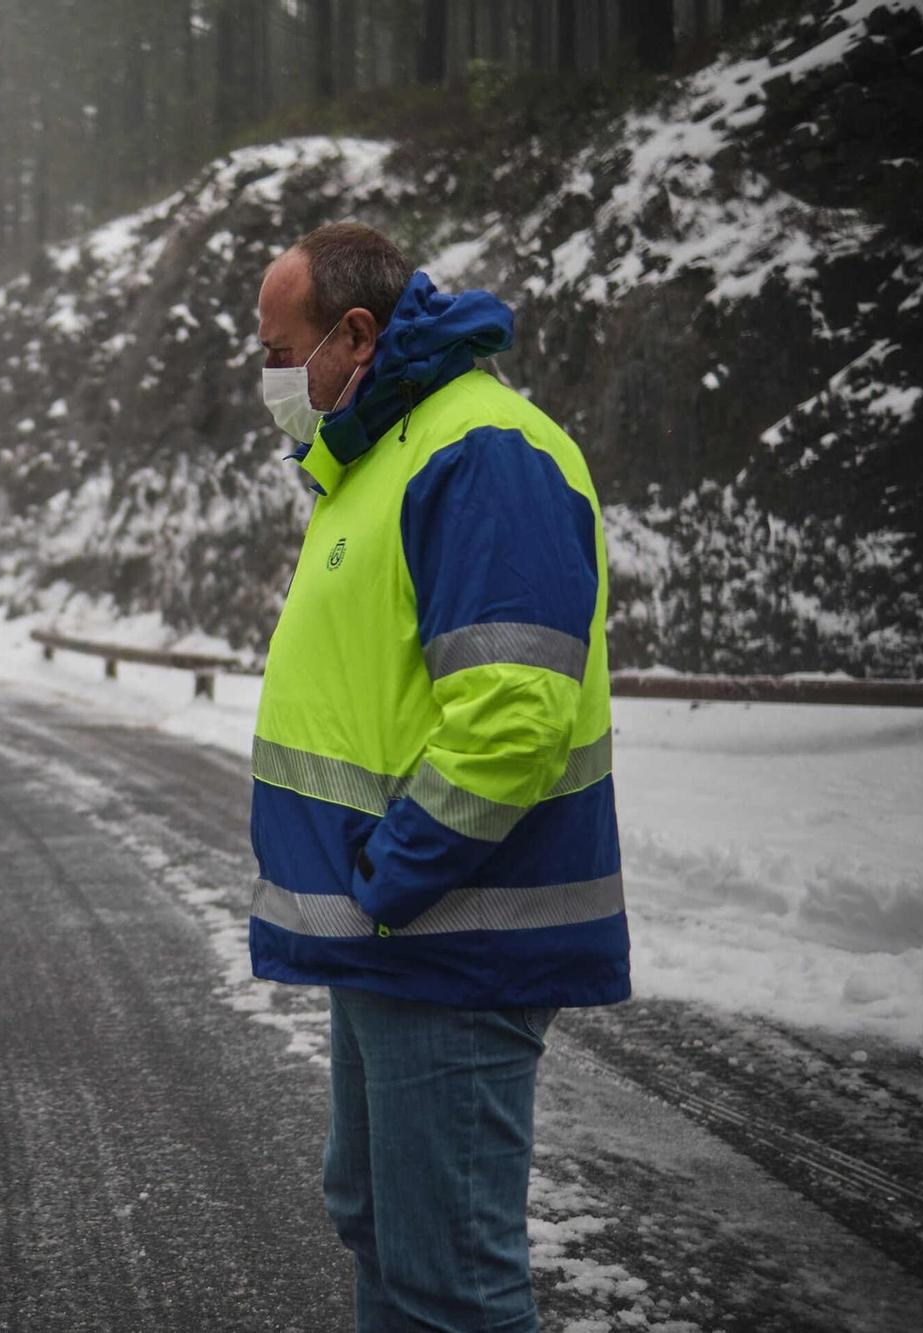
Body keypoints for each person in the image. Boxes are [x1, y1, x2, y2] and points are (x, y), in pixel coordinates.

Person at [248, 222, 630, 1332]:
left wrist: (393, 872)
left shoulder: (481, 453)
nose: (269, 376)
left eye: (280, 349)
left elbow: (513, 708)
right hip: (397, 940)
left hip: (455, 939)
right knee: (382, 1227)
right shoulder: (381, 457)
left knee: (450, 1279)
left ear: (353, 334)